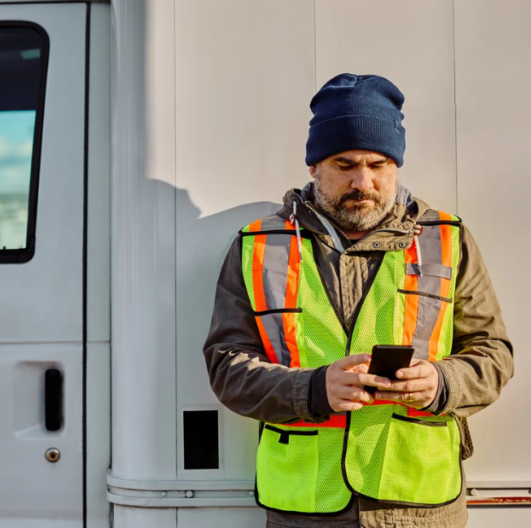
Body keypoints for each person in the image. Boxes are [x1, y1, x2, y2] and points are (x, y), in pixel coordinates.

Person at [202, 73, 513, 528]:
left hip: (419, 507)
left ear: (396, 166)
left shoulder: (447, 239)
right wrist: (311, 390)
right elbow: (226, 366)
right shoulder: (258, 245)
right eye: (345, 164)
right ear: (314, 166)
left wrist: (440, 384)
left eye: (379, 164)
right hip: (304, 508)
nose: (363, 181)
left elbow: (494, 355)